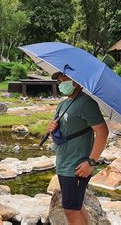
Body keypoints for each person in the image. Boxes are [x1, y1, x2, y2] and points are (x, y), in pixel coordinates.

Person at [47, 72, 109, 225]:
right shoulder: (63, 104)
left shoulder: (86, 103)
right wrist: (51, 128)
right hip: (63, 164)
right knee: (77, 206)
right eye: (59, 80)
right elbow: (60, 135)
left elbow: (102, 132)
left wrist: (91, 162)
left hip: (77, 167)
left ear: (78, 81)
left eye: (66, 79)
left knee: (71, 210)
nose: (62, 83)